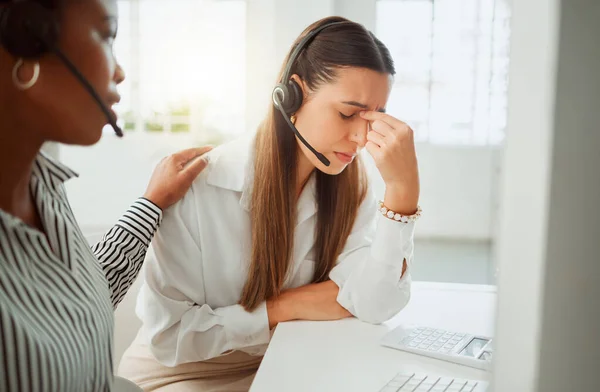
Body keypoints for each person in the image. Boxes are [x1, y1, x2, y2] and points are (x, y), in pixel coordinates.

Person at [118, 16, 421, 392]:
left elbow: (375, 303)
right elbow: (170, 337)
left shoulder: (350, 188)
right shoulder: (201, 186)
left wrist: (403, 193)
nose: (361, 136)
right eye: (346, 113)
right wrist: (285, 307)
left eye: (373, 117)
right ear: (291, 95)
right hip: (180, 377)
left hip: (281, 367)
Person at [0, 0, 212, 390]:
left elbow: (77, 301)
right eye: (107, 35)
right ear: (23, 38)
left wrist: (152, 204)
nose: (119, 71)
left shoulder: (43, 185)